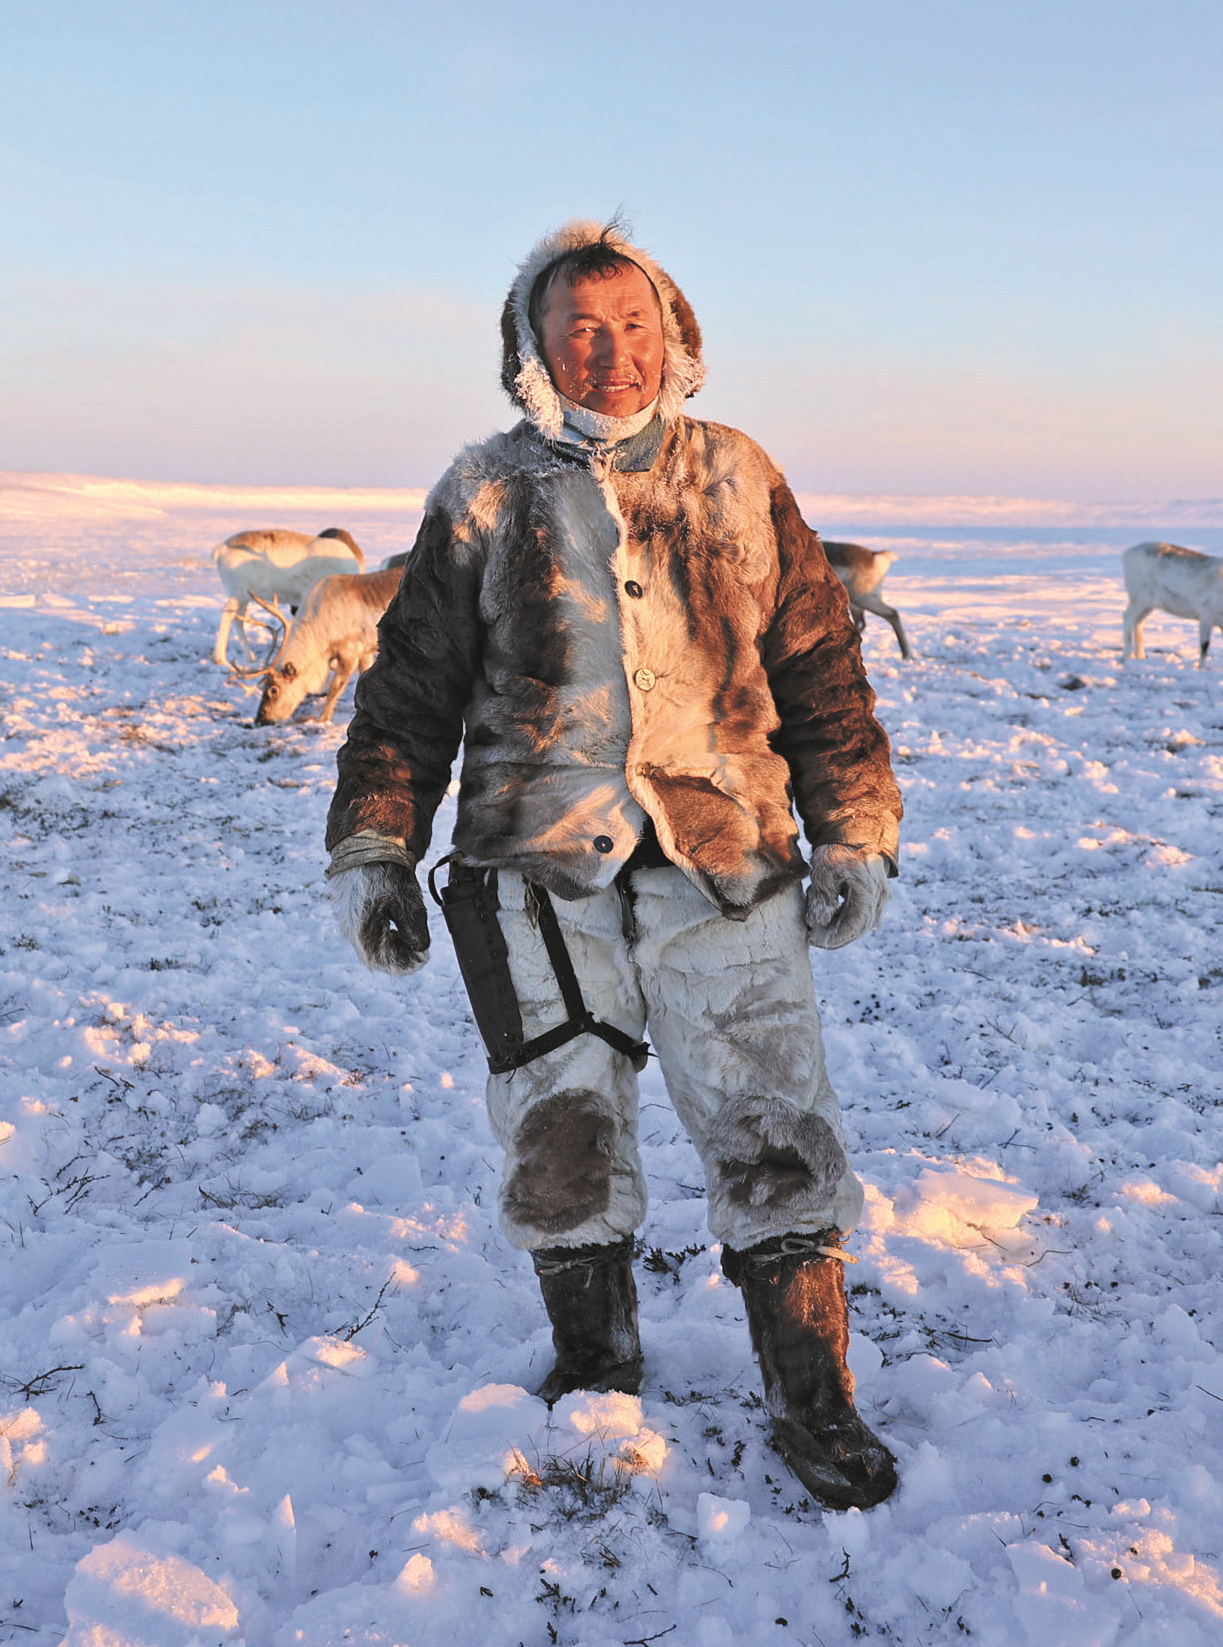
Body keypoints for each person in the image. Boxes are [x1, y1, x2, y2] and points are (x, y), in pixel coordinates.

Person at [324, 220, 903, 1511]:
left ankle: (811, 1392)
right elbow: (409, 691)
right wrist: (374, 845)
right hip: (533, 866)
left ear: (674, 331)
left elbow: (819, 662)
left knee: (771, 1117)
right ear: (531, 348)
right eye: (579, 327)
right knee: (559, 1125)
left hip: (726, 853)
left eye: (633, 322)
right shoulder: (484, 493)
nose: (611, 350)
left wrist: (855, 826)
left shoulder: (737, 475)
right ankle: (596, 1363)